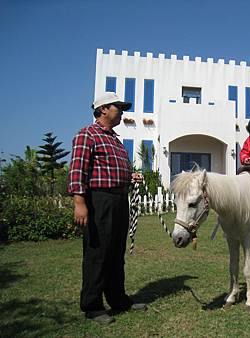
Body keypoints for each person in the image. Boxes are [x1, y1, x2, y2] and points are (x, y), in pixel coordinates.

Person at [68, 92, 147, 324]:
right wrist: (79, 203)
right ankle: (92, 306)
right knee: (97, 253)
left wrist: (129, 176)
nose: (121, 111)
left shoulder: (114, 139)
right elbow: (77, 170)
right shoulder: (87, 134)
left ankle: (118, 299)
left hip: (118, 199)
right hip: (99, 200)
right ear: (103, 109)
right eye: (118, 107)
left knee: (115, 252)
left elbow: (110, 169)